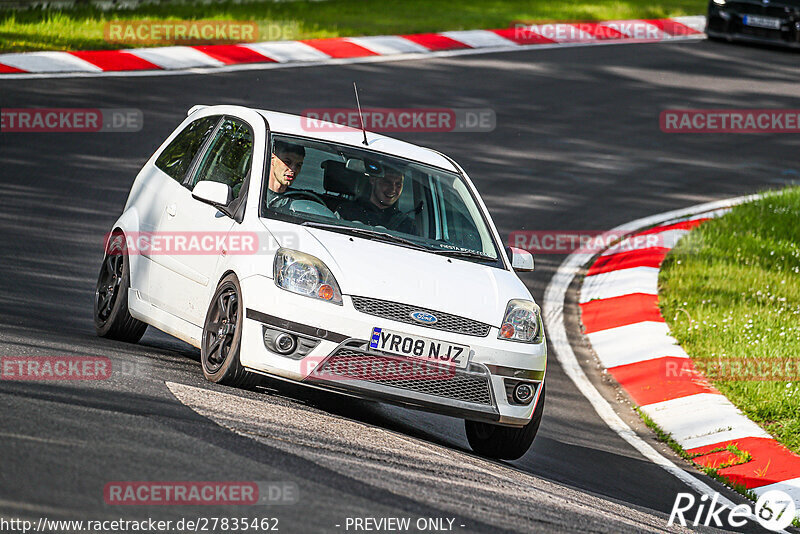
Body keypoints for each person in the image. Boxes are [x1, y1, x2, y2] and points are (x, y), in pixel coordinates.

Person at [336, 166, 416, 234]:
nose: (393, 189)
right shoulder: (346, 212)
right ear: (373, 180)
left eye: (398, 184)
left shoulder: (407, 225)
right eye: (387, 182)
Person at [265, 141, 305, 210]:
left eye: (298, 165)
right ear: (272, 160)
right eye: (287, 162)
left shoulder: (298, 204)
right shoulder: (254, 193)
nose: (293, 169)